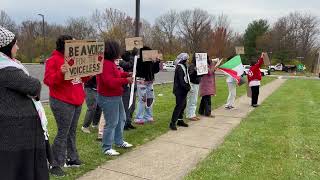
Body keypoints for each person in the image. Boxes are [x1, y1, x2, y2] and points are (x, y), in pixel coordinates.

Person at [0, 26, 49, 180]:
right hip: (15, 131)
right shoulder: (7, 69)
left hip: (13, 128)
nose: (18, 47)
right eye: (15, 44)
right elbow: (34, 86)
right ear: (7, 47)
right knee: (18, 168)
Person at [44, 35, 90, 176]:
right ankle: (54, 163)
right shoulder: (53, 60)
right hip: (62, 101)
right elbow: (48, 80)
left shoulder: (75, 58)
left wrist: (89, 71)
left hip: (76, 99)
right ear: (64, 46)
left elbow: (83, 78)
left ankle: (72, 158)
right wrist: (61, 72)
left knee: (71, 131)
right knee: (63, 133)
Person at [97, 40, 134, 156]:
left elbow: (115, 75)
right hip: (108, 97)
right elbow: (109, 82)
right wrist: (125, 80)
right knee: (111, 122)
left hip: (115, 96)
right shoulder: (105, 63)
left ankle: (118, 141)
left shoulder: (111, 62)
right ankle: (106, 147)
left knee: (121, 119)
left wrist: (126, 74)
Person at [134, 46, 160, 124]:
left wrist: (157, 62)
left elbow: (155, 70)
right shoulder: (138, 61)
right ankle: (139, 118)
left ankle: (148, 116)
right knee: (142, 99)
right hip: (141, 81)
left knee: (150, 99)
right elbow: (138, 70)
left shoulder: (151, 61)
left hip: (150, 82)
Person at [169, 53, 191, 130]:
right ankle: (172, 123)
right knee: (179, 106)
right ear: (184, 60)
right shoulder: (180, 67)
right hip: (179, 90)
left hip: (182, 90)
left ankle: (180, 120)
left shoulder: (183, 66)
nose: (188, 60)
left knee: (183, 105)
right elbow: (182, 81)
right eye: (187, 59)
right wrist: (188, 88)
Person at [120, 49, 138, 130]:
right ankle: (124, 123)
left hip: (133, 86)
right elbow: (129, 65)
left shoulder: (133, 61)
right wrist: (133, 56)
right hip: (125, 88)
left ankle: (128, 121)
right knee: (126, 106)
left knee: (132, 106)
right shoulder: (122, 62)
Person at [186, 54, 203, 121]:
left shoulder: (198, 65)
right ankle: (191, 115)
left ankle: (191, 114)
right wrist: (195, 71)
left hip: (196, 84)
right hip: (193, 84)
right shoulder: (192, 65)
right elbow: (189, 75)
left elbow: (201, 75)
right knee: (192, 100)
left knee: (193, 100)